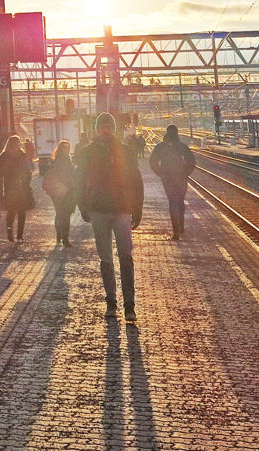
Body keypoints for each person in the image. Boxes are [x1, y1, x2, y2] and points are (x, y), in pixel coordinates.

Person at [76, 113, 143, 324]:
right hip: (98, 209)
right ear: (98, 129)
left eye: (108, 127)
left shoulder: (126, 151)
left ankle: (129, 305)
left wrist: (138, 208)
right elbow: (79, 180)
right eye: (102, 127)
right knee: (105, 258)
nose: (106, 130)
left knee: (125, 256)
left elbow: (135, 180)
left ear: (113, 129)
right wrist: (83, 206)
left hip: (122, 209)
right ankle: (111, 302)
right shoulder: (88, 152)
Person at [150, 124, 197, 241]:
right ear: (177, 133)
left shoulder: (160, 147)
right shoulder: (182, 146)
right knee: (180, 201)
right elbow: (192, 161)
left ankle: (176, 231)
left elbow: (152, 161)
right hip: (181, 178)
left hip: (167, 179)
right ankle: (181, 226)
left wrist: (160, 173)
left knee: (172, 202)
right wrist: (186, 172)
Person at [0, 135, 35, 242]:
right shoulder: (22, 155)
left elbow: (0, 172)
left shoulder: (4, 155)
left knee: (11, 212)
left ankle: (11, 234)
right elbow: (28, 171)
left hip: (10, 187)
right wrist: (25, 181)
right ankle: (19, 235)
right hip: (20, 187)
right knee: (21, 212)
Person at [43, 139, 78, 248]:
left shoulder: (66, 160)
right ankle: (64, 238)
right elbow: (65, 175)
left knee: (61, 214)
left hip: (63, 191)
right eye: (65, 148)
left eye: (68, 147)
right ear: (60, 149)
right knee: (64, 214)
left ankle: (60, 235)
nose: (67, 150)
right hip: (61, 191)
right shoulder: (60, 161)